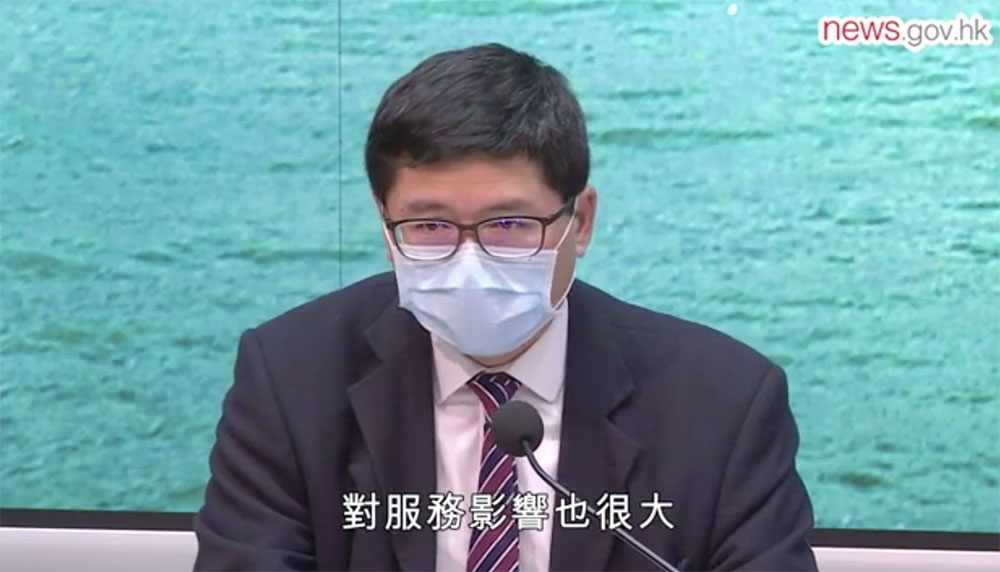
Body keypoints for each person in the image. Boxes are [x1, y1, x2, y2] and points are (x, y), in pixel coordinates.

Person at [193, 43, 818, 571]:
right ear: (386, 229)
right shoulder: (290, 379)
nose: (470, 261)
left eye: (510, 224)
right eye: (429, 226)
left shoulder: (725, 404)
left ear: (580, 222)